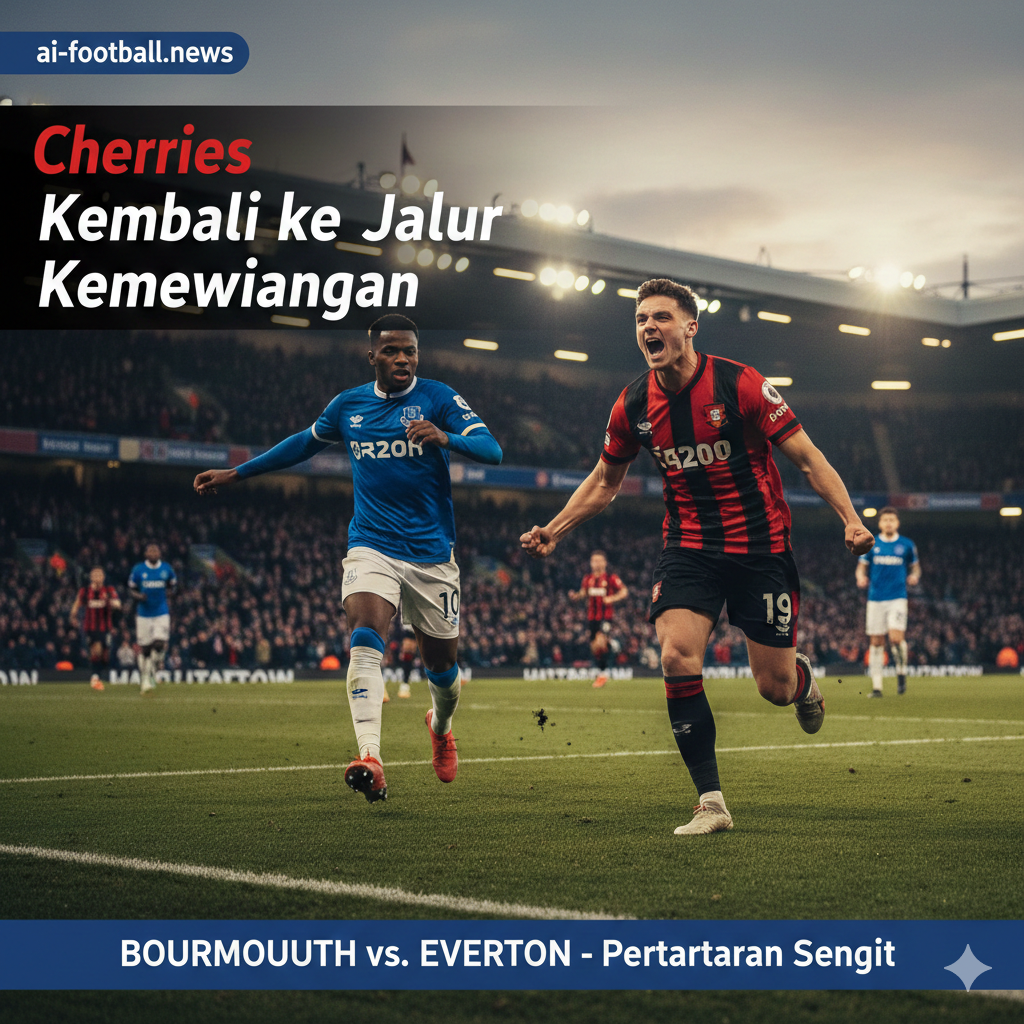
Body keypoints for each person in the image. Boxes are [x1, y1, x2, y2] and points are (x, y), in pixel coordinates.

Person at [521, 278, 873, 836]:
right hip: (688, 547)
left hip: (761, 548)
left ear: (690, 327)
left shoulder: (740, 384)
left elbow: (807, 458)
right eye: (640, 319)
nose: (648, 327)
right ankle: (711, 802)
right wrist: (557, 529)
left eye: (661, 317)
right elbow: (605, 481)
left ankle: (801, 679)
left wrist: (851, 520)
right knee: (675, 657)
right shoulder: (633, 403)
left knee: (773, 689)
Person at [193, 314, 502, 803]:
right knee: (364, 636)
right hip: (371, 544)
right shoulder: (348, 405)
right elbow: (302, 444)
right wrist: (239, 472)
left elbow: (493, 449)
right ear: (372, 356)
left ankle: (440, 727)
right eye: (393, 351)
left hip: (431, 556)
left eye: (411, 352)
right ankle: (371, 758)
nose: (403, 359)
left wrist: (448, 438)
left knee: (442, 670)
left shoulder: (439, 398)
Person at [855, 507, 920, 696]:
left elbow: (916, 568)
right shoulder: (871, 544)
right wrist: (860, 578)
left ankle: (901, 672)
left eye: (892, 519)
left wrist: (914, 577)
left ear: (897, 522)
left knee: (895, 638)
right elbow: (861, 568)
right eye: (885, 520)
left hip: (897, 598)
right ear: (880, 523)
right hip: (875, 599)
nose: (889, 523)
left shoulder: (907, 545)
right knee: (876, 643)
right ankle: (877, 687)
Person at [571, 550, 628, 688]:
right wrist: (576, 596)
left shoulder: (610, 578)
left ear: (604, 562)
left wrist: (612, 598)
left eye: (599, 560)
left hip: (605, 617)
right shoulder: (588, 579)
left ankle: (602, 675)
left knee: (600, 642)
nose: (596, 563)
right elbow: (583, 593)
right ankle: (613, 646)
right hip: (591, 618)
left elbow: (624, 591)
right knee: (594, 647)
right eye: (594, 561)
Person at [128, 543, 177, 695]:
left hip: (161, 612)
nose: (153, 552)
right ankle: (146, 679)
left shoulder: (166, 569)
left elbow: (173, 585)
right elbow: (131, 589)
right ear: (146, 553)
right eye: (150, 550)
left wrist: (170, 592)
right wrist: (138, 596)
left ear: (160, 553)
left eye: (156, 550)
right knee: (146, 649)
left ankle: (153, 669)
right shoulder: (138, 569)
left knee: (159, 643)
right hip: (143, 614)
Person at [70, 567, 121, 676]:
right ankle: (95, 676)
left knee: (105, 656)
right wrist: (73, 617)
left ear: (103, 577)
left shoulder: (109, 590)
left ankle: (99, 674)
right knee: (96, 651)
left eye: (99, 575)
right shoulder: (85, 591)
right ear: (91, 577)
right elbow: (77, 604)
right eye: (95, 575)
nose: (97, 577)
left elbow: (118, 604)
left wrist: (109, 600)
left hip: (106, 627)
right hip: (91, 627)